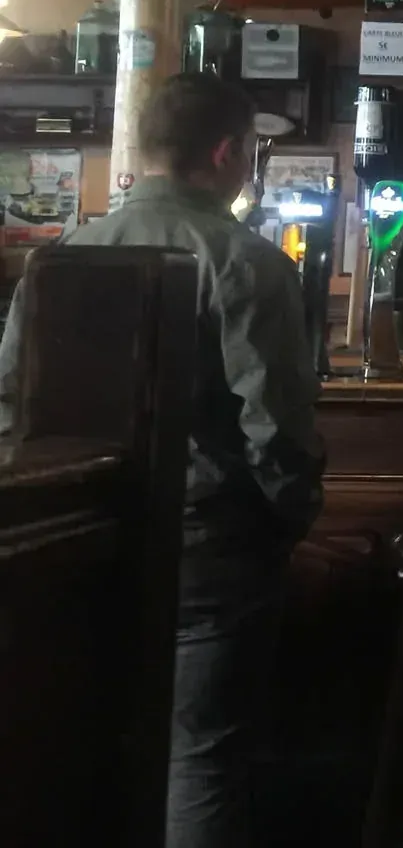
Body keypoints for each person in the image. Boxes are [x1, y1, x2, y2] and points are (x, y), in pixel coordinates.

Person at [0, 72, 326, 848]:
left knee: (82, 754)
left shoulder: (61, 256)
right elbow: (275, 429)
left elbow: (9, 404)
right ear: (226, 152)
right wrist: (290, 516)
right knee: (201, 760)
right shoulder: (246, 262)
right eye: (250, 151)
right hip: (205, 546)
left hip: (83, 546)